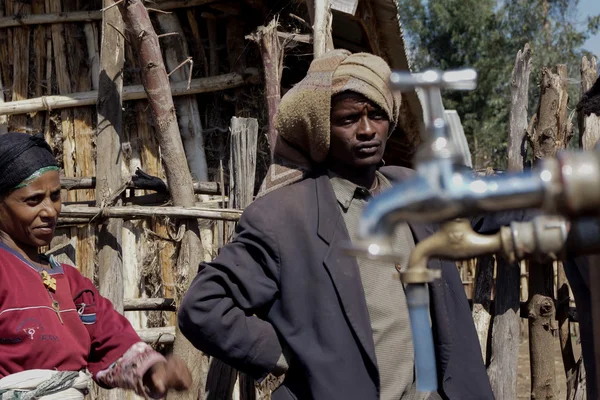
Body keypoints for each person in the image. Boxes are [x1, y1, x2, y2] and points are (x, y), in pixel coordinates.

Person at [178, 50, 525, 400]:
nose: (366, 130)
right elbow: (203, 306)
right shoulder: (284, 219)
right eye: (348, 119)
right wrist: (288, 353)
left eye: (376, 115)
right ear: (320, 129)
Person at [0, 132, 192, 399]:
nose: (50, 210)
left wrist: (153, 369)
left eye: (55, 196)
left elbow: (109, 337)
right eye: (33, 200)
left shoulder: (69, 281)